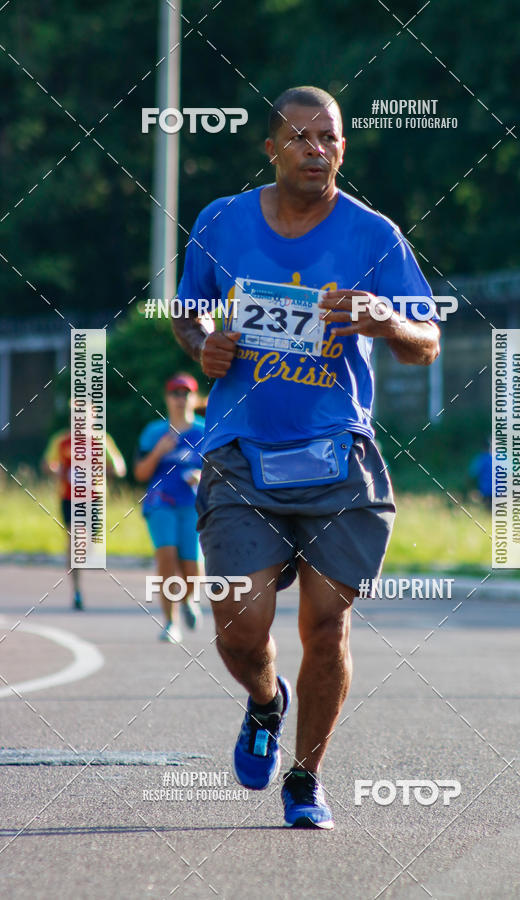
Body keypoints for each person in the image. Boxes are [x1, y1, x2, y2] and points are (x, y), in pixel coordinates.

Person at [172, 85, 440, 829]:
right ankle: (265, 702)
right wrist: (204, 345)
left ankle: (306, 777)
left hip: (337, 458)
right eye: (301, 138)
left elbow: (427, 342)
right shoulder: (220, 222)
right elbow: (188, 311)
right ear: (271, 147)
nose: (317, 151)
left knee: (327, 629)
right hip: (239, 454)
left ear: (343, 148)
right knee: (238, 621)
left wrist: (384, 318)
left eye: (330, 139)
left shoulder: (374, 235)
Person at [134, 373, 206, 643]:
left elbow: (221, 470)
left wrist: (202, 476)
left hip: (193, 504)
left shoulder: (206, 431)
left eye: (185, 393)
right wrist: (158, 452)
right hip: (160, 502)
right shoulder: (154, 432)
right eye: (175, 393)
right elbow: (140, 473)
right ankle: (169, 622)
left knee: (192, 566)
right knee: (166, 558)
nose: (180, 399)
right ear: (167, 398)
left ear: (193, 398)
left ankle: (188, 600)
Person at [43, 422, 126, 609]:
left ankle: (84, 559)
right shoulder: (61, 440)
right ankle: (77, 590)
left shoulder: (100, 440)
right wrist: (56, 470)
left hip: (94, 498)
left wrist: (98, 470)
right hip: (69, 498)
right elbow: (48, 464)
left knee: (88, 545)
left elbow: (120, 468)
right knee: (74, 540)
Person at [470, 438, 493, 507]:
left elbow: (472, 474)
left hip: (486, 491)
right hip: (502, 491)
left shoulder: (480, 459)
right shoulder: (503, 458)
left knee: (489, 513)